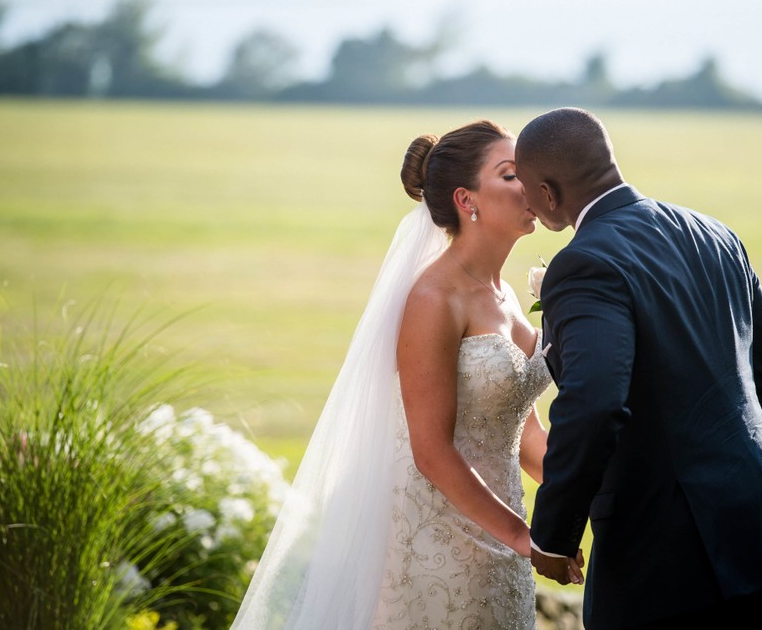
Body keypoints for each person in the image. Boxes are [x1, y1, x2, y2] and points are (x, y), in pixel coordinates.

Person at [231, 119, 562, 629]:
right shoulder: (434, 299)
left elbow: (522, 431)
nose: (532, 184)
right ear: (466, 200)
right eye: (511, 174)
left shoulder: (506, 295)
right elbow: (431, 451)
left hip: (502, 542)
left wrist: (594, 490)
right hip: (442, 543)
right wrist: (522, 535)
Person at [514, 107, 762, 629]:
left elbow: (596, 403)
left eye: (525, 188)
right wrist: (743, 482)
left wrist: (553, 534)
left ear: (547, 192)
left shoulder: (584, 261)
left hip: (662, 549)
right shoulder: (715, 233)